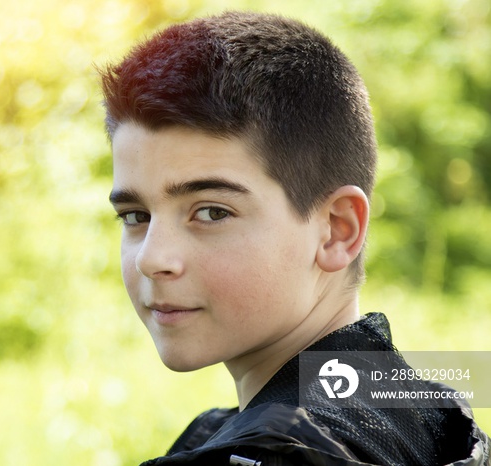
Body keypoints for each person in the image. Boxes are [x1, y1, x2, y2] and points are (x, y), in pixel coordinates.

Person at [100, 11, 489, 466]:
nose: (152, 258)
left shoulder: (283, 453)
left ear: (337, 229)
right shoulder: (420, 415)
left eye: (211, 212)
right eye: (135, 215)